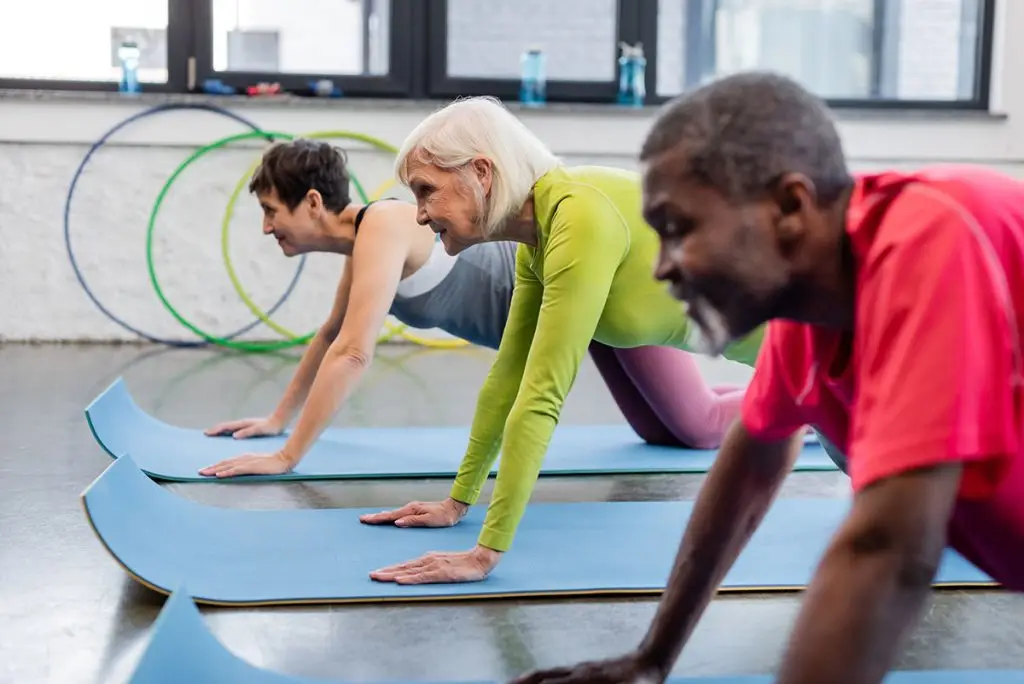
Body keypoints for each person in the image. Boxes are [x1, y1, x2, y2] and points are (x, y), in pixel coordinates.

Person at [511, 71, 1024, 684]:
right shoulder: (805, 319)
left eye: (678, 229)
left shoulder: (933, 239)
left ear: (788, 207)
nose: (663, 267)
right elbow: (748, 470)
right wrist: (652, 659)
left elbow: (888, 549)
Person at [359, 96, 765, 584]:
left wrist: (484, 554)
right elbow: (509, 376)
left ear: (482, 173)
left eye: (426, 191)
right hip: (790, 363)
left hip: (824, 343)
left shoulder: (578, 216)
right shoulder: (540, 236)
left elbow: (542, 396)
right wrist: (457, 502)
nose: (420, 215)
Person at [200, 138, 750, 478]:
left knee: (698, 426)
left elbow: (352, 354)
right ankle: (773, 394)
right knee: (663, 434)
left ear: (313, 203)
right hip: (586, 316)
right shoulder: (366, 246)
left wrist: (287, 457)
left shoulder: (388, 223)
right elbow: (330, 335)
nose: (267, 226)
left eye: (271, 211)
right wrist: (277, 420)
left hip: (599, 287)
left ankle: (800, 393)